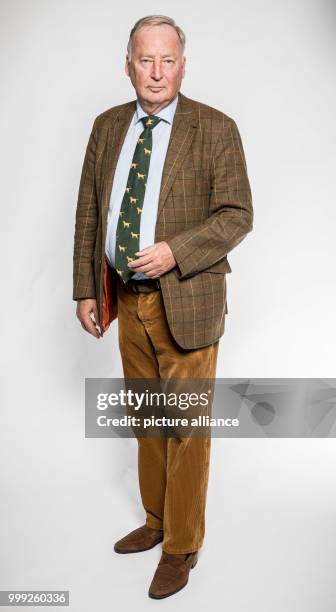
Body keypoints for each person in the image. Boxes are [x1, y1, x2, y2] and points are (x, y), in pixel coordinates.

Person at [73, 14, 253, 599]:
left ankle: (182, 545)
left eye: (167, 60)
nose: (156, 72)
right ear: (128, 64)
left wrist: (176, 250)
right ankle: (155, 522)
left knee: (186, 431)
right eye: (145, 60)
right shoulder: (106, 127)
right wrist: (86, 288)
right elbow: (88, 213)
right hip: (125, 299)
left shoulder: (215, 128)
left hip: (189, 301)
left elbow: (236, 214)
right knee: (149, 424)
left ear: (183, 64)